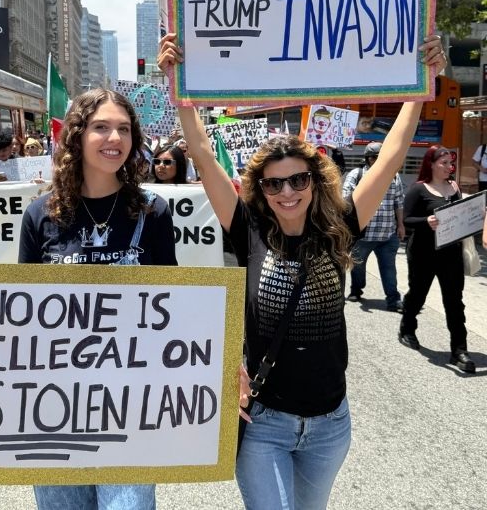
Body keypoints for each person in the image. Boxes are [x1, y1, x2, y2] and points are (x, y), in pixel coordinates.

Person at [153, 31, 446, 509]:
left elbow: (391, 158)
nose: (287, 192)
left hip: (330, 426)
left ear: (314, 180)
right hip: (264, 423)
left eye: (297, 179)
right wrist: (178, 84)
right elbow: (202, 154)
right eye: (274, 184)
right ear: (259, 189)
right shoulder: (246, 227)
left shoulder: (341, 225)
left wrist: (421, 86)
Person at [0, 89, 177, 510]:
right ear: (78, 136)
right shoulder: (40, 215)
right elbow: (19, 319)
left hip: (130, 410)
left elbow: (174, 309)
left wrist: (216, 365)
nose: (114, 138)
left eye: (123, 129)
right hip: (53, 414)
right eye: (101, 127)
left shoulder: (152, 212)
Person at [399, 146, 476, 374]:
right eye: (444, 163)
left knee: (454, 302)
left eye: (450, 163)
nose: (449, 167)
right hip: (423, 253)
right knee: (418, 294)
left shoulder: (454, 187)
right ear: (431, 164)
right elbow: (407, 220)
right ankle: (407, 328)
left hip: (451, 254)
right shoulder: (418, 189)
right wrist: (426, 221)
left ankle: (459, 350)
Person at [342, 142, 405, 310]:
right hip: (364, 235)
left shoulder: (394, 176)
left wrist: (400, 225)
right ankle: (356, 290)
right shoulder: (357, 174)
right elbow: (346, 198)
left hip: (388, 234)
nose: (380, 161)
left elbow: (398, 202)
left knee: (389, 268)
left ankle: (393, 299)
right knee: (358, 265)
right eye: (376, 158)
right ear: (368, 159)